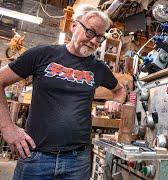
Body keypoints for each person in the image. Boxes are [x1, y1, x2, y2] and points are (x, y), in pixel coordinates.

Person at [0, 5, 126, 180]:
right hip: (36, 157)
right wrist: (7, 128)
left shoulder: (99, 68)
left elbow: (120, 89)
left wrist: (117, 101)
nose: (94, 41)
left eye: (100, 37)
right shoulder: (42, 54)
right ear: (74, 26)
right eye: (90, 33)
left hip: (77, 161)